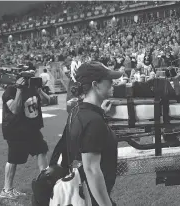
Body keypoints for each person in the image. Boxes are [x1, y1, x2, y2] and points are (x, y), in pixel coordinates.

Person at [68, 61, 121, 206]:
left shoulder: (78, 111)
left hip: (85, 193)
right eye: (108, 80)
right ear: (95, 84)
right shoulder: (93, 121)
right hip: (93, 198)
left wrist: (101, 113)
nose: (112, 83)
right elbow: (91, 169)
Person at [0, 71, 51, 199]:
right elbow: (14, 109)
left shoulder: (34, 88)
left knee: (42, 150)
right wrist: (19, 90)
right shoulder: (11, 90)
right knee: (14, 159)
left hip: (32, 128)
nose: (32, 80)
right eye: (29, 78)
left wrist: (39, 91)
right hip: (16, 130)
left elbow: (47, 101)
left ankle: (44, 183)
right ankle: (6, 190)